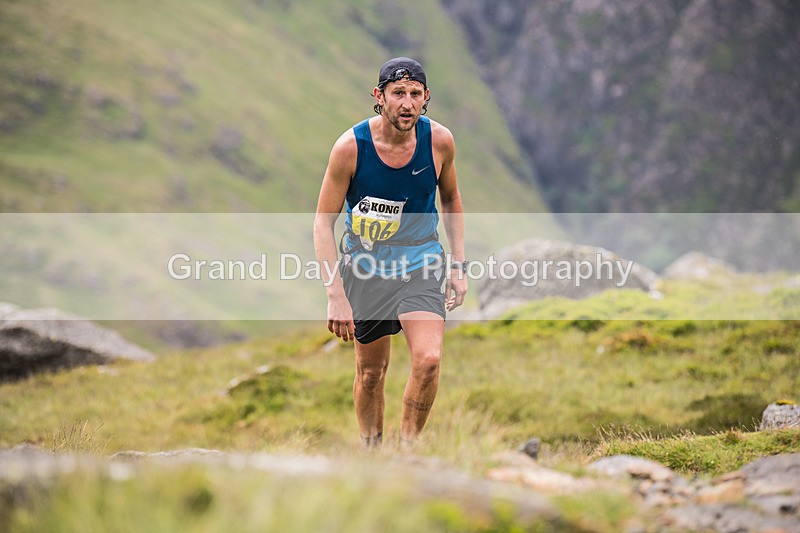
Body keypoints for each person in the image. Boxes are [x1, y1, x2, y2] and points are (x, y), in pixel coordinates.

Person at [313, 57, 468, 448]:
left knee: (429, 360)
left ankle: (407, 452)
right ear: (378, 96)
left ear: (426, 98)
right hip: (366, 269)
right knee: (370, 373)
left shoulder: (440, 142)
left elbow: (450, 200)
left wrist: (459, 265)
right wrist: (336, 295)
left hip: (421, 262)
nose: (407, 103)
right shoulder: (350, 148)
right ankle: (372, 451)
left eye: (415, 94)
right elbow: (322, 223)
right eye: (398, 93)